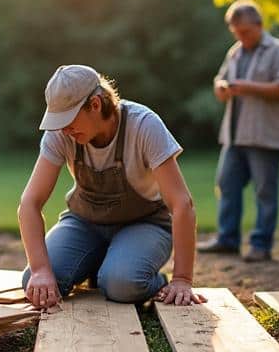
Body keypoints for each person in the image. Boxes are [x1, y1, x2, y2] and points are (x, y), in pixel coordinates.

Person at [19, 64, 205, 309]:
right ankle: (104, 262)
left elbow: (182, 203)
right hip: (85, 223)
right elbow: (29, 204)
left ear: (95, 104)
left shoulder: (144, 125)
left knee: (122, 284)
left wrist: (182, 279)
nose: (64, 129)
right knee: (33, 281)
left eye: (69, 119)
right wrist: (42, 270)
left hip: (145, 223)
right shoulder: (61, 134)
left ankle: (144, 276)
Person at [199, 0, 279, 262]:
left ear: (259, 25)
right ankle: (227, 239)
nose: (241, 37)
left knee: (265, 192)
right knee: (226, 185)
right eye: (236, 33)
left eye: (245, 32)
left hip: (265, 136)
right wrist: (221, 86)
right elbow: (220, 80)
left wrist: (247, 86)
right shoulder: (235, 52)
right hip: (234, 134)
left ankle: (261, 245)